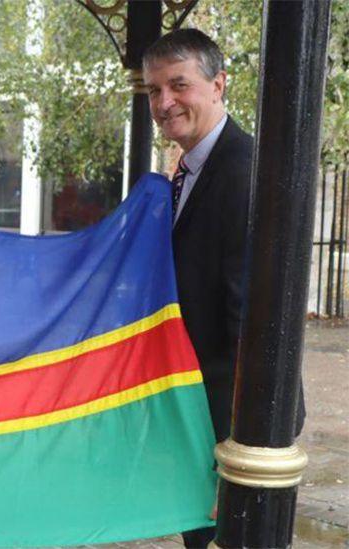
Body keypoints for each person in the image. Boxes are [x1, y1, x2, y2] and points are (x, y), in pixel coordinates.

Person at [142, 28, 304, 548]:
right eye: (153, 90)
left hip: (232, 426)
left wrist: (235, 447)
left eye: (179, 85)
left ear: (219, 85)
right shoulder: (192, 169)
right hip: (194, 415)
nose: (165, 103)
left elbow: (252, 320)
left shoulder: (243, 172)